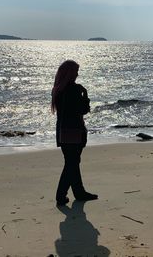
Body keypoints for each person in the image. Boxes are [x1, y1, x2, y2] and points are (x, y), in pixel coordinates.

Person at [51, 60, 98, 206]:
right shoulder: (74, 89)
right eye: (76, 71)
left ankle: (79, 192)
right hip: (75, 131)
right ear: (70, 73)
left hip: (63, 131)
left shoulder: (58, 89)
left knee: (72, 162)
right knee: (72, 164)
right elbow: (83, 109)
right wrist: (85, 94)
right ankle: (61, 195)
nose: (77, 74)